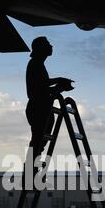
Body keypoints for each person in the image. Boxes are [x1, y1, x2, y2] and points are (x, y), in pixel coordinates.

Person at [24, 36, 74, 185]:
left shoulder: (39, 65)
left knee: (41, 142)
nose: (51, 47)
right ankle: (30, 175)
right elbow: (38, 88)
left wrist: (58, 87)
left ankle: (32, 173)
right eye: (48, 45)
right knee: (38, 142)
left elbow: (42, 88)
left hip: (43, 108)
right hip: (38, 108)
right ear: (41, 49)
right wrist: (58, 80)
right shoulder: (34, 64)